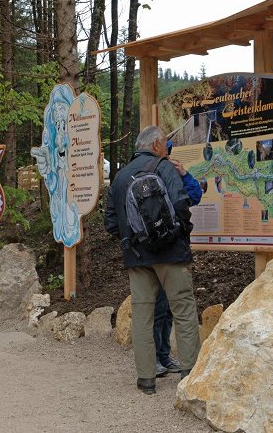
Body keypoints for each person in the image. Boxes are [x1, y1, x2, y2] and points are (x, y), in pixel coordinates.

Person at [105, 126, 201, 395]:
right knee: (183, 310)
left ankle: (146, 379)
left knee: (143, 316)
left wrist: (136, 238)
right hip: (172, 254)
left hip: (137, 258)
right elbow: (182, 203)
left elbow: (111, 223)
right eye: (165, 144)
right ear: (157, 144)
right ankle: (190, 372)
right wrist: (179, 233)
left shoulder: (120, 177)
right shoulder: (164, 168)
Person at [154, 142, 202, 377]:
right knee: (160, 307)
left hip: (166, 250)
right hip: (160, 251)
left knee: (169, 308)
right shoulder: (153, 172)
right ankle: (158, 358)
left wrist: (183, 173)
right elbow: (193, 197)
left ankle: (163, 356)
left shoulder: (171, 173)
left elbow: (194, 195)